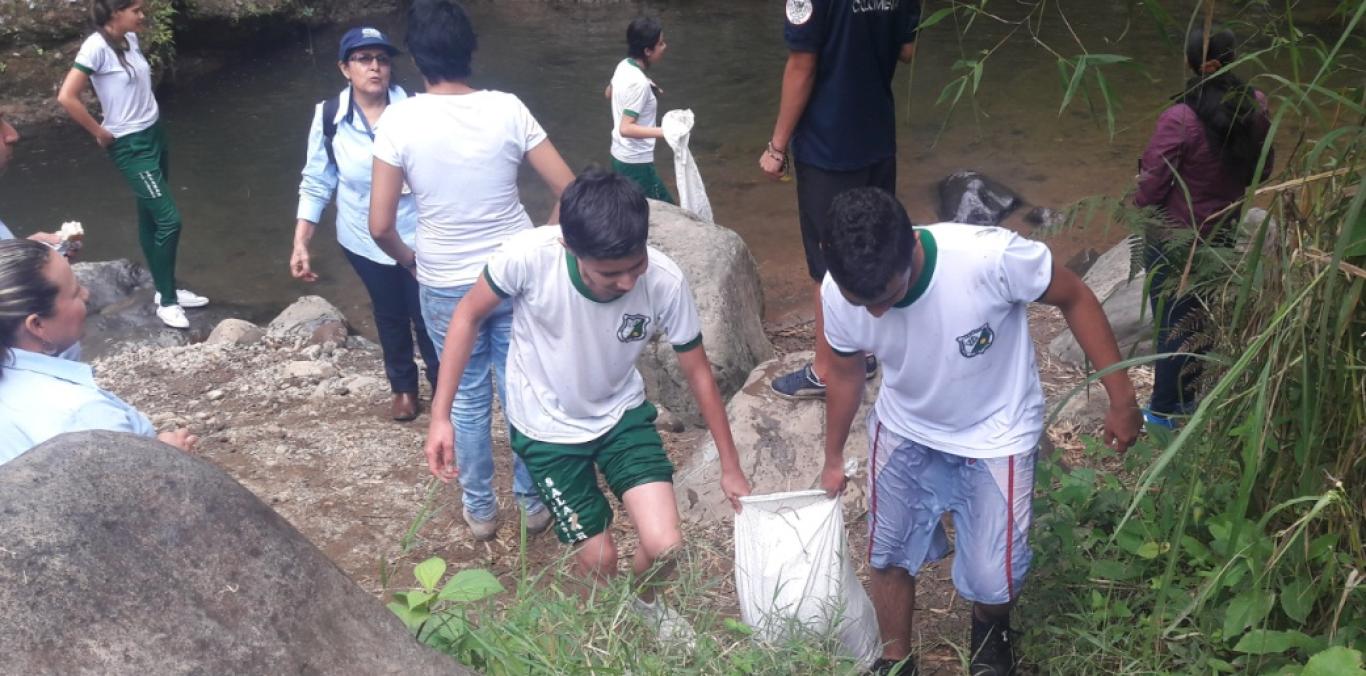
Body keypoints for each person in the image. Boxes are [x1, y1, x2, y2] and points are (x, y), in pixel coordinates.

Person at [814, 189, 1142, 675]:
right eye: (862, 303)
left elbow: (1075, 296)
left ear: (912, 246)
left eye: (887, 297)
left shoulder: (990, 259)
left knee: (995, 581)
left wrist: (1122, 397)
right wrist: (833, 456)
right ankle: (895, 658)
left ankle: (990, 626)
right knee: (888, 553)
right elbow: (844, 374)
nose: (877, 314)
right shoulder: (838, 291)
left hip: (996, 430)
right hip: (906, 424)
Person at [422, 168, 751, 641]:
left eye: (635, 265)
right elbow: (467, 315)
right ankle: (600, 634)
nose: (627, 283)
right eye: (610, 273)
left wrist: (730, 465)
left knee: (665, 545)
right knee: (599, 558)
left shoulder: (663, 280)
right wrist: (441, 416)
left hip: (621, 415)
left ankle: (645, 602)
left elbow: (698, 372)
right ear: (568, 246)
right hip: (546, 429)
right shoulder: (527, 257)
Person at [370, 0, 574, 541]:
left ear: (416, 58)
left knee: (464, 396)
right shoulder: (508, 108)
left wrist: (410, 260)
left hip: (443, 279)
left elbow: (380, 225)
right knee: (522, 388)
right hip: (513, 273)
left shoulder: (398, 119)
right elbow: (570, 190)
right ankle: (533, 502)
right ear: (471, 51)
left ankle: (481, 510)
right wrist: (540, 243)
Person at [760, 0, 920, 399]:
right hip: (878, 136)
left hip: (828, 145)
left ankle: (827, 369)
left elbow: (802, 65)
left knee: (827, 262)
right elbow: (907, 50)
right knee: (875, 248)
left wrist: (777, 146)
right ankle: (866, 351)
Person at [293, 27, 439, 422]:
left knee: (428, 312)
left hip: (418, 233)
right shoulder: (330, 117)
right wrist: (302, 240)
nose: (375, 67)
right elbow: (317, 180)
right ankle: (403, 388)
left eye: (382, 59)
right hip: (364, 238)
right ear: (345, 68)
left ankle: (444, 388)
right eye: (363, 59)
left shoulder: (419, 110)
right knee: (389, 312)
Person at [1135, 26, 1272, 429]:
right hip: (1224, 226)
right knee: (1202, 316)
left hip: (1175, 235)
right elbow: (1262, 169)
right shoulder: (1255, 103)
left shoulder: (1179, 118)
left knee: (1171, 322)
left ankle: (1164, 411)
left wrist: (1139, 205)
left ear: (1191, 63)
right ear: (1234, 58)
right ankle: (1194, 398)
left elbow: (1150, 186)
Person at [56, 0, 208, 330]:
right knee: (169, 220)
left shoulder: (130, 40)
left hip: (154, 133)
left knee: (150, 214)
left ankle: (166, 289)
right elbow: (67, 96)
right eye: (135, 10)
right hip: (130, 145)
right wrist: (99, 132)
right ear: (115, 13)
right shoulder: (95, 46)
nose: (142, 15)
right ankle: (167, 302)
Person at [0, 238, 195, 465]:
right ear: (37, 325)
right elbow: (136, 481)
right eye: (75, 293)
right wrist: (169, 454)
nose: (86, 294)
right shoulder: (84, 416)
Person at [606, 17, 673, 203]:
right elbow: (626, 128)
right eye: (660, 44)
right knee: (667, 211)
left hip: (619, 157)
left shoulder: (624, 65)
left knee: (633, 210)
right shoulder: (638, 83)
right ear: (647, 51)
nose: (665, 47)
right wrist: (668, 132)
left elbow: (608, 93)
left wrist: (647, 86)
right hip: (636, 164)